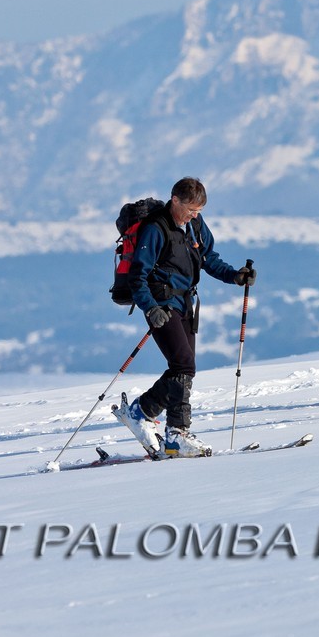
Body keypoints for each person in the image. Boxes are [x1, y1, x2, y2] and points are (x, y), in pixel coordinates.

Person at [116, 177, 255, 457]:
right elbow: (137, 275)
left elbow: (208, 258)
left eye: (199, 211)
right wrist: (150, 308)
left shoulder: (195, 225)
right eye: (191, 209)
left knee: (184, 368)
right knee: (183, 366)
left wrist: (236, 276)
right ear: (175, 200)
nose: (194, 215)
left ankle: (141, 411)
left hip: (185, 302)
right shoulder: (156, 229)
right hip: (162, 304)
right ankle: (176, 435)